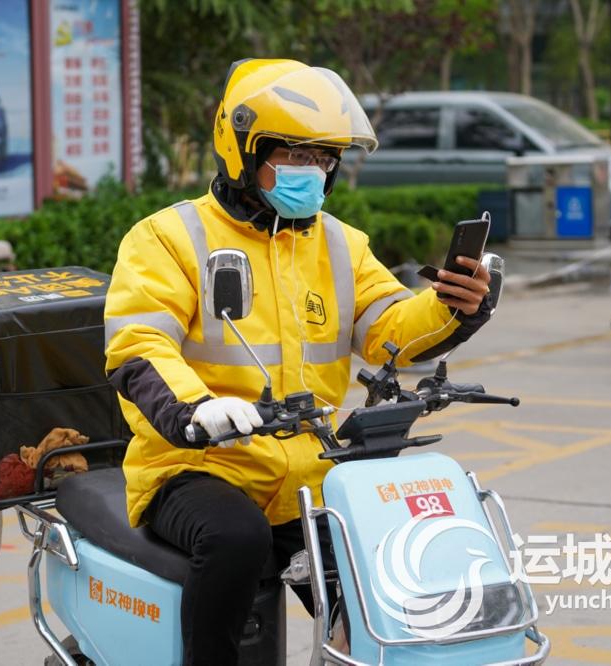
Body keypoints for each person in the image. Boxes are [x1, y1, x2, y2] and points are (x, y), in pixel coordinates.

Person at [104, 58, 494, 665]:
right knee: (235, 538)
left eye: (324, 158)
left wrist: (452, 307)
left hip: (311, 468)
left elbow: (388, 328)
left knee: (381, 577)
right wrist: (197, 409)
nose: (311, 170)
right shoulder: (168, 238)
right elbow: (139, 343)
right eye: (294, 153)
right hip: (194, 465)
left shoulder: (340, 243)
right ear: (241, 149)